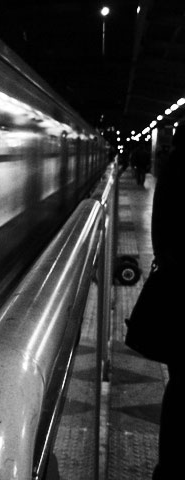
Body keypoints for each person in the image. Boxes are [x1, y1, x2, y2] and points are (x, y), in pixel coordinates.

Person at [150, 124, 185, 480]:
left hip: (179, 297)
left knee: (181, 389)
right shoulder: (181, 165)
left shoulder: (175, 163)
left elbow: (161, 233)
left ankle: (169, 468)